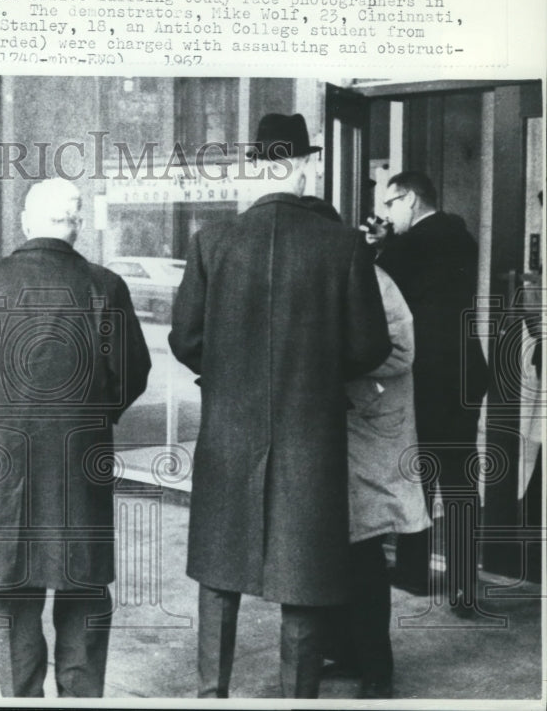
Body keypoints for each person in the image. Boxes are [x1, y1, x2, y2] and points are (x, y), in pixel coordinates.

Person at [169, 113, 392, 698]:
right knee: (303, 579)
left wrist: (226, 375)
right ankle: (298, 697)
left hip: (228, 434)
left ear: (256, 167)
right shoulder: (342, 245)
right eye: (310, 161)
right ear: (299, 166)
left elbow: (185, 340)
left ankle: (212, 692)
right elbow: (371, 345)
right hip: (310, 435)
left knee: (219, 574)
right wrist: (320, 372)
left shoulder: (211, 242)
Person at [0, 178, 151, 698]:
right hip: (80, 457)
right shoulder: (105, 286)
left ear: (25, 222)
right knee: (82, 585)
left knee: (10, 587)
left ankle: (22, 698)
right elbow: (133, 371)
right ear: (75, 226)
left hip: (3, 458)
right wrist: (94, 412)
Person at [371, 171, 489, 614]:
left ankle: (413, 573)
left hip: (424, 376)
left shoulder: (409, 246)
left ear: (412, 200)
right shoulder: (461, 236)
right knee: (460, 482)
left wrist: (380, 244)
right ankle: (463, 587)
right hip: (462, 372)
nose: (386, 214)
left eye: (390, 204)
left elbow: (378, 286)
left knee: (416, 477)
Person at [326, 265, 431, 699]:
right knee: (336, 550)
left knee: (363, 548)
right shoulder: (329, 270)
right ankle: (348, 652)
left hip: (368, 421)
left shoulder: (371, 277)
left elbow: (401, 350)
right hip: (336, 423)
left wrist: (328, 363)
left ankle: (376, 670)